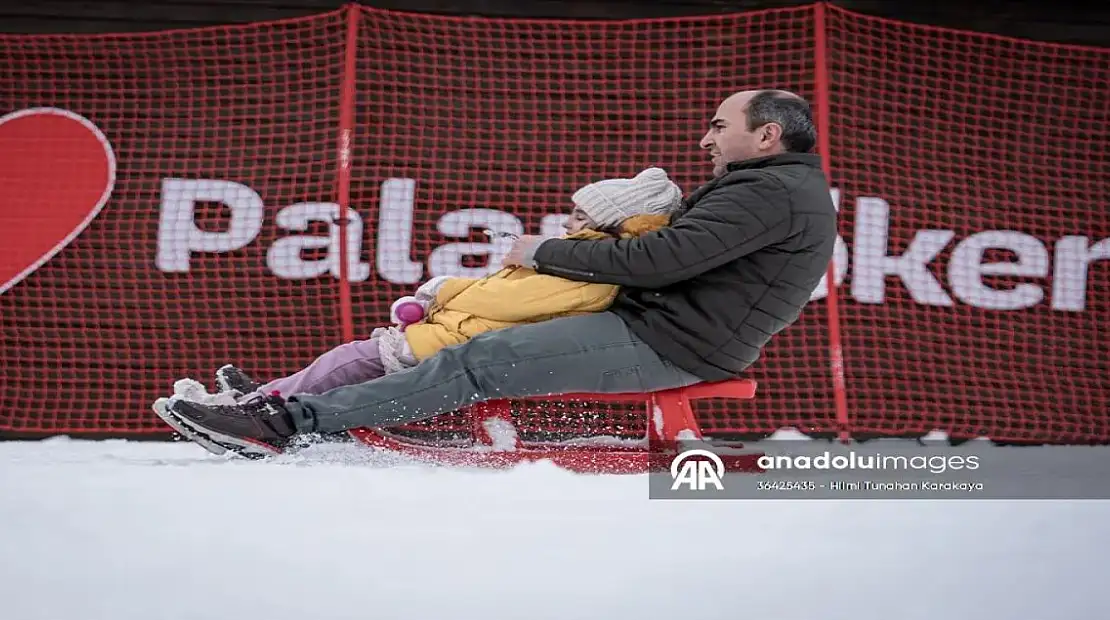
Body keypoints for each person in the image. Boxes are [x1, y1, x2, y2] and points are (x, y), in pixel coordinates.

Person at [163, 88, 838, 458]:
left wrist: (543, 252)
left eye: (720, 125)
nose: (707, 138)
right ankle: (275, 403)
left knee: (482, 358)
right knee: (467, 338)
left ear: (768, 135)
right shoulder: (769, 186)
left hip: (672, 343)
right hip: (654, 325)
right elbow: (665, 254)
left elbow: (658, 259)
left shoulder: (770, 192)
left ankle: (289, 421)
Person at [154, 167, 684, 452]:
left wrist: (443, 289)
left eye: (580, 216)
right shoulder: (576, 261)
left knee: (344, 363)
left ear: (610, 226)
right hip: (450, 337)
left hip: (449, 347)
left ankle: (251, 412)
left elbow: (499, 298)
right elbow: (502, 295)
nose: (567, 222)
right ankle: (259, 402)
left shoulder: (589, 275)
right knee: (343, 363)